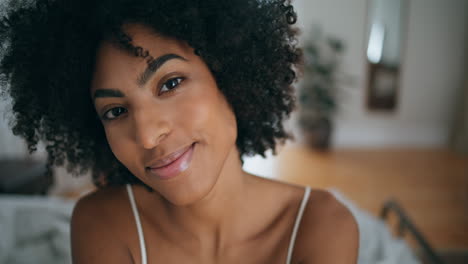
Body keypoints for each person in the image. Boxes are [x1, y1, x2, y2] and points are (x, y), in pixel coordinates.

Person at [0, 0, 359, 263]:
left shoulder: (322, 226)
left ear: (230, 80)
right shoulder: (102, 224)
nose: (147, 135)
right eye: (116, 111)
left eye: (170, 83)